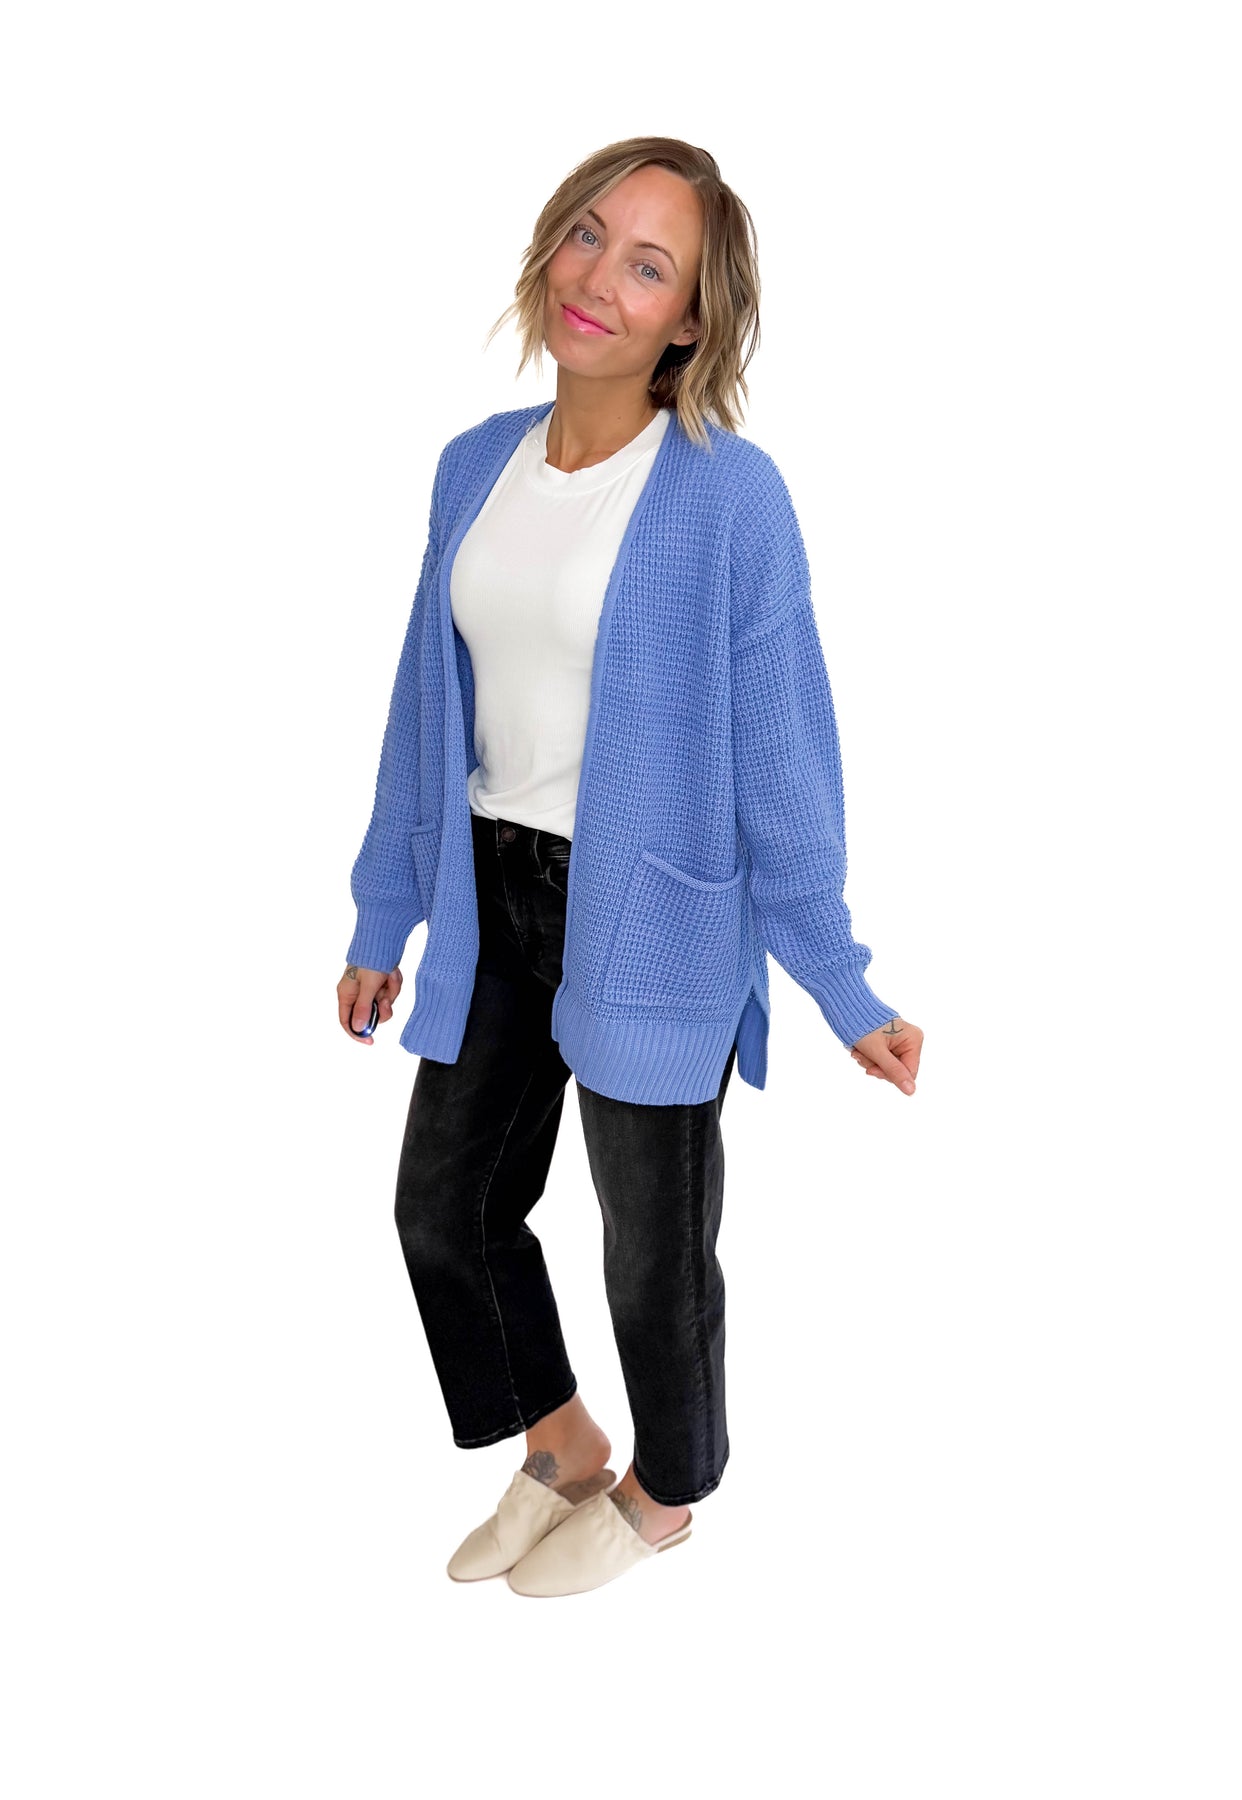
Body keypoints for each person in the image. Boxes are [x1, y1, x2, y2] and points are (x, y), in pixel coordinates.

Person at [337, 136, 924, 1598]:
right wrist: (384, 914)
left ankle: (667, 1493)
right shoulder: (473, 466)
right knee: (444, 1212)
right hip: (490, 892)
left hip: (652, 915)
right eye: (588, 234)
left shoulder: (730, 498)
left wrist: (840, 983)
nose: (598, 277)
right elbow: (424, 712)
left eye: (648, 265)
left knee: (652, 1252)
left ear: (692, 320)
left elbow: (782, 757)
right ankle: (562, 1443)